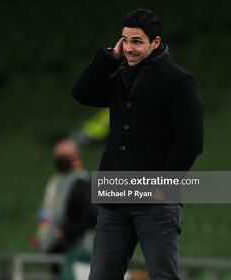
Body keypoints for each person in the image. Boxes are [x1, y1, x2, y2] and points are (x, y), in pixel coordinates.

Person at [72, 9, 203, 280]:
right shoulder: (120, 77)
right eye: (125, 40)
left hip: (155, 201)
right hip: (114, 198)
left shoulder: (180, 82)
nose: (129, 48)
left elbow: (190, 142)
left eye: (137, 41)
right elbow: (82, 93)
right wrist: (111, 57)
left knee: (162, 276)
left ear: (155, 43)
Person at [33, 139, 98, 277]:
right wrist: (42, 235)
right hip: (54, 246)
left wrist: (66, 232)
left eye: (65, 156)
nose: (62, 160)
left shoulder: (80, 181)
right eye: (59, 156)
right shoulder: (56, 181)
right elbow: (47, 210)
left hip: (75, 249)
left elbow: (91, 215)